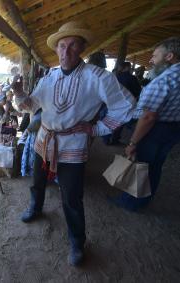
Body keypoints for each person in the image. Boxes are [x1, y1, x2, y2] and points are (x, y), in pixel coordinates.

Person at [11, 21, 135, 266]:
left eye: (72, 46)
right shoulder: (50, 76)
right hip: (44, 138)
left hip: (73, 144)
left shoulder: (98, 77)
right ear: (56, 50)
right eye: (62, 46)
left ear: (82, 49)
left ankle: (77, 242)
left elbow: (127, 105)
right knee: (37, 180)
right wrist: (18, 94)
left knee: (71, 195)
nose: (65, 52)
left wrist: (96, 127)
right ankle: (36, 208)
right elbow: (32, 105)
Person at [111, 37, 180, 211]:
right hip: (173, 128)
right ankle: (144, 198)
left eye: (155, 56)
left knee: (141, 164)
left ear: (169, 56)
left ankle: (131, 202)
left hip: (155, 128)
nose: (151, 60)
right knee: (155, 165)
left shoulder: (165, 80)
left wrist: (133, 142)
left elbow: (149, 117)